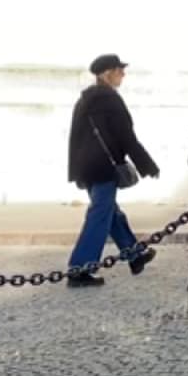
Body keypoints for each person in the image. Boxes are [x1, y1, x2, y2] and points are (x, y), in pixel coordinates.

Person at [65, 54, 161, 288]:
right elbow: (126, 137)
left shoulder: (85, 100)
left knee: (111, 213)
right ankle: (80, 268)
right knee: (100, 214)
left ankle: (134, 255)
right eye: (119, 70)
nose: (123, 75)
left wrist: (75, 172)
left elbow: (74, 138)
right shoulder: (110, 100)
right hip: (103, 167)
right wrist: (147, 165)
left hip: (87, 168)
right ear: (108, 74)